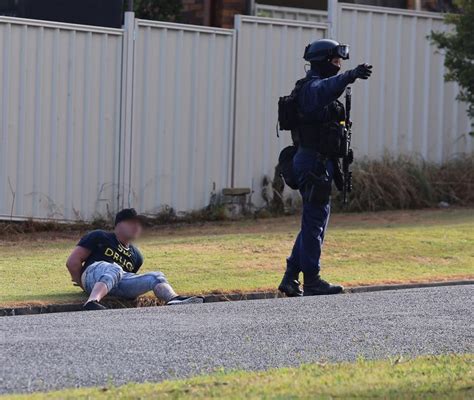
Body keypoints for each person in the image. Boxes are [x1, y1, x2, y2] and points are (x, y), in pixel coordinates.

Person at [278, 39, 373, 297]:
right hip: (312, 162)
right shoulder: (312, 88)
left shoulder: (315, 86)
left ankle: (290, 278)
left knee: (313, 221)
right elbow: (325, 89)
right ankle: (312, 280)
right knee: (314, 222)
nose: (340, 64)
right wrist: (349, 76)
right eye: (335, 61)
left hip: (318, 161)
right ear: (322, 61)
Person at [66, 208, 203, 310]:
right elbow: (72, 262)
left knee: (156, 276)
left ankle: (173, 299)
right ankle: (92, 302)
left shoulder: (137, 256)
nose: (137, 227)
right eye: (132, 222)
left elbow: (129, 279)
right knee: (115, 268)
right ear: (118, 225)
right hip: (93, 275)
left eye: (138, 224)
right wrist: (83, 285)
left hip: (116, 282)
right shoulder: (100, 236)